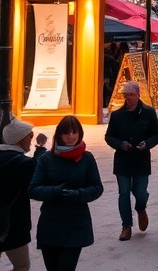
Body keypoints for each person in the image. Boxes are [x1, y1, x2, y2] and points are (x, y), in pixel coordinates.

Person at [29, 115, 103, 271]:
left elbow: (97, 188)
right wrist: (54, 191)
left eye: (74, 132)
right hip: (51, 222)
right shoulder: (46, 159)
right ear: (59, 135)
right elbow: (33, 189)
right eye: (66, 133)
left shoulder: (86, 158)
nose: (70, 136)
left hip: (76, 221)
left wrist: (77, 194)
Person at [104, 80, 158, 240]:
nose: (128, 98)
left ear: (138, 95)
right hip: (123, 160)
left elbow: (157, 134)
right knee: (123, 193)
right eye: (125, 95)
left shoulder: (149, 113)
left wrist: (147, 144)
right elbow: (109, 136)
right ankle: (126, 226)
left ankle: (141, 208)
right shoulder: (117, 115)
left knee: (141, 192)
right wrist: (120, 144)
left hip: (141, 159)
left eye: (131, 95)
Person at [0, 117, 36, 271]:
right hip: (14, 225)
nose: (31, 139)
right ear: (20, 139)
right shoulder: (24, 164)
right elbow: (34, 187)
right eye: (30, 136)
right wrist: (41, 149)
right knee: (22, 265)